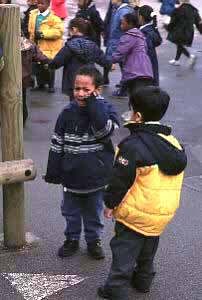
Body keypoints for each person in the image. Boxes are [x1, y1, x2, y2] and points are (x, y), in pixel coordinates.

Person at [97, 86, 187, 300]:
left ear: (137, 116)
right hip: (161, 213)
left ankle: (115, 288)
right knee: (148, 249)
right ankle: (143, 281)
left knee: (124, 250)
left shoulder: (132, 145)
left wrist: (110, 204)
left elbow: (120, 180)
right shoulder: (174, 143)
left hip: (135, 213)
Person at [44, 66, 119, 259]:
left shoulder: (105, 109)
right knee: (71, 212)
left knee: (93, 213)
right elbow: (57, 142)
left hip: (96, 176)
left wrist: (95, 106)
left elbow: (104, 133)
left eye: (87, 90)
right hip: (71, 175)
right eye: (77, 88)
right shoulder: (67, 112)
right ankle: (72, 239)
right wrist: (54, 170)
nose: (80, 93)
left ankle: (93, 241)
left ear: (97, 90)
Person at [48, 17, 111, 101]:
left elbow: (57, 62)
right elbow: (103, 60)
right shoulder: (92, 45)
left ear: (74, 29)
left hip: (74, 82)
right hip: (89, 80)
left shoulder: (69, 46)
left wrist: (49, 65)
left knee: (75, 104)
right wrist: (110, 64)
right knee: (88, 103)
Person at [111, 13, 153, 99]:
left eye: (122, 23)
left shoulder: (129, 36)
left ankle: (135, 110)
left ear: (130, 24)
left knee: (135, 98)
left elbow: (120, 52)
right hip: (146, 70)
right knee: (141, 98)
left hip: (135, 71)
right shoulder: (140, 35)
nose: (120, 25)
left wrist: (109, 61)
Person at [28, 0, 64, 92]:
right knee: (37, 66)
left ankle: (51, 85)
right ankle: (41, 84)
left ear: (48, 4)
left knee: (49, 65)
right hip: (36, 44)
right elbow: (31, 29)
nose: (39, 5)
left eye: (42, 3)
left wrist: (43, 34)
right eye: (38, 3)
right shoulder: (33, 15)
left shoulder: (54, 18)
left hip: (49, 47)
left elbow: (58, 31)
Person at [21, 34, 49, 126]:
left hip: (8, 77)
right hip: (24, 77)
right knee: (22, 100)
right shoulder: (29, 44)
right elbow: (40, 57)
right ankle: (22, 121)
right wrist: (50, 62)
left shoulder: (6, 42)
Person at [166, 0, 201, 67]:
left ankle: (190, 56)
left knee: (179, 44)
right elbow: (198, 23)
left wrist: (168, 28)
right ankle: (176, 60)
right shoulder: (194, 10)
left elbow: (172, 22)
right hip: (189, 33)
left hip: (179, 31)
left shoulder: (178, 10)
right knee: (179, 44)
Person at [139, 5, 162, 86]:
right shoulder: (152, 30)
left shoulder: (144, 33)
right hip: (152, 70)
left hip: (145, 73)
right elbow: (158, 41)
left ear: (141, 17)